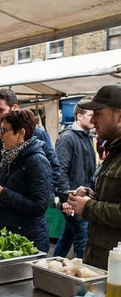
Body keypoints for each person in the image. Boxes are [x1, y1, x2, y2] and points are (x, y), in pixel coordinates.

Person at [0, 110, 52, 252]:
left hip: (28, 243)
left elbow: (39, 206)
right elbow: (2, 198)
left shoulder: (37, 161)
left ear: (21, 133)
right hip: (9, 238)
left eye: (4, 131)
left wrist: (2, 193)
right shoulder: (9, 158)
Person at [66, 84, 121, 269]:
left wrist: (89, 206)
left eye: (98, 113)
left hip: (115, 268)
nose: (93, 120)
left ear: (119, 117)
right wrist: (90, 196)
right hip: (101, 261)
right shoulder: (113, 150)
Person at [54, 104, 96, 259]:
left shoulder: (87, 136)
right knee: (82, 239)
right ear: (79, 116)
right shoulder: (67, 137)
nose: (94, 118)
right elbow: (60, 170)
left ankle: (54, 264)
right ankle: (81, 276)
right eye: (91, 114)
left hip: (83, 197)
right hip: (73, 198)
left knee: (69, 235)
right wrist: (65, 198)